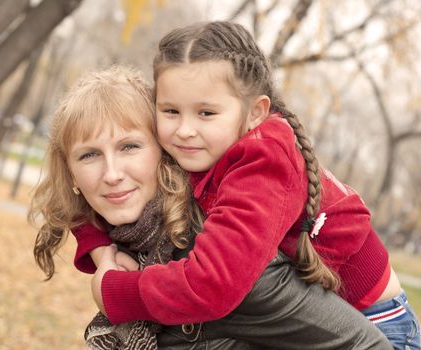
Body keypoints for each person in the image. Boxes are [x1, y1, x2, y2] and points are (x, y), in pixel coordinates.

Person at [86, 22, 420, 350]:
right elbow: (96, 189)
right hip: (302, 320)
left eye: (206, 113)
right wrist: (102, 250)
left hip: (376, 323)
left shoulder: (265, 160)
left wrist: (117, 292)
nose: (185, 129)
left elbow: (213, 283)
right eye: (171, 110)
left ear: (255, 112)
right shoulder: (200, 147)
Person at [29, 66, 391, 349]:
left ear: (164, 151)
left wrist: (112, 290)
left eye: (130, 147)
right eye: (90, 155)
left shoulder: (223, 253)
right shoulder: (137, 231)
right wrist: (97, 249)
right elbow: (76, 205)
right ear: (71, 173)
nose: (111, 174)